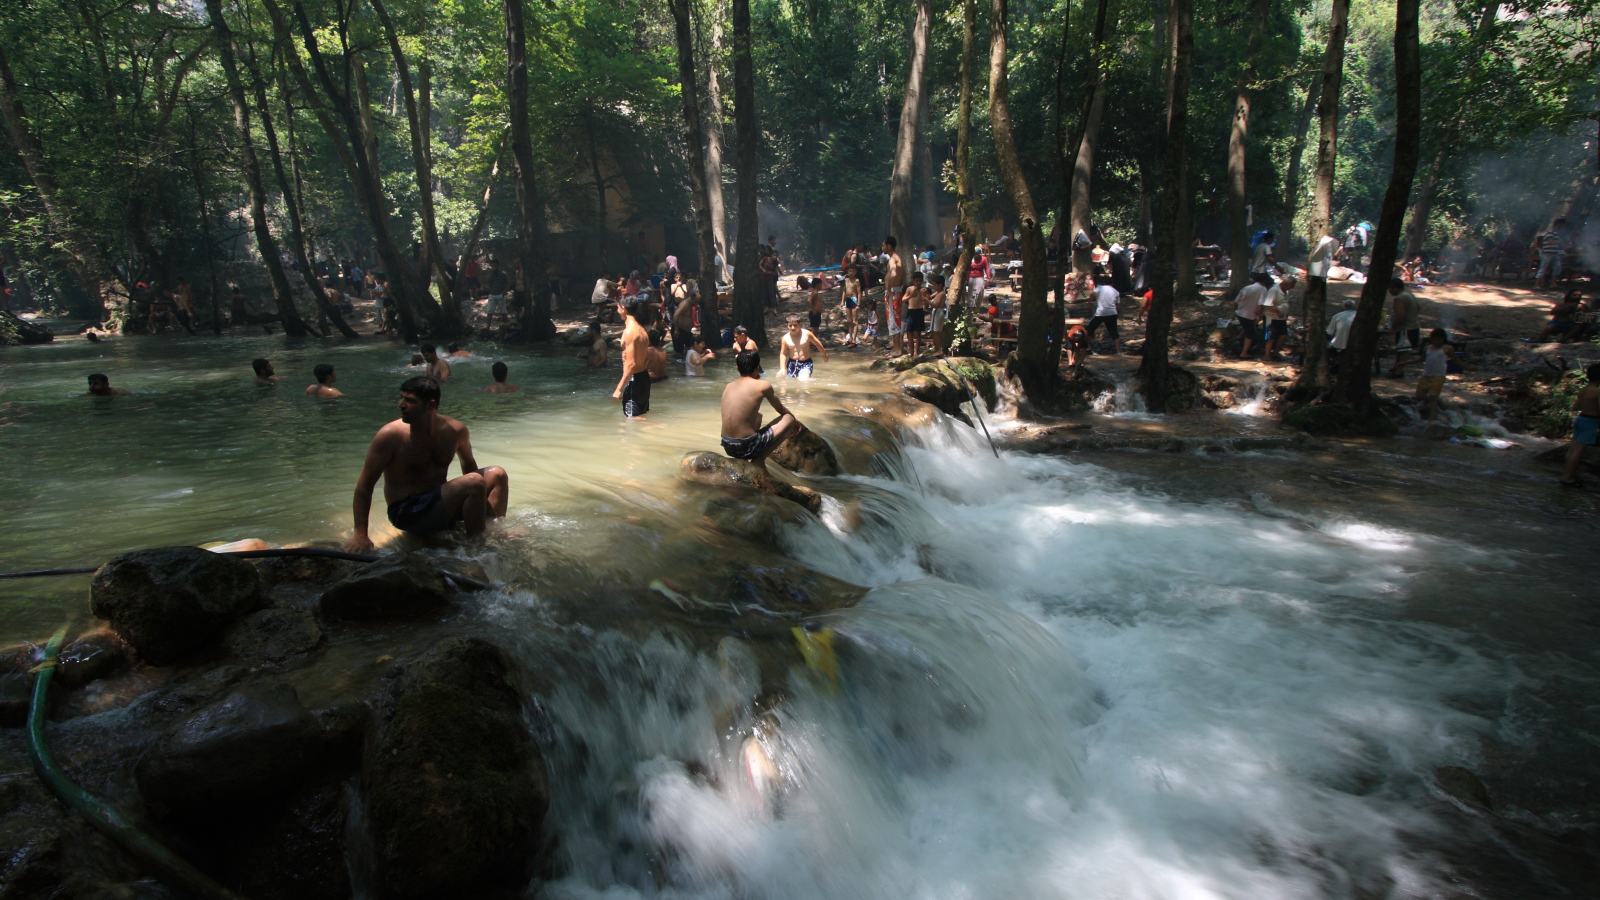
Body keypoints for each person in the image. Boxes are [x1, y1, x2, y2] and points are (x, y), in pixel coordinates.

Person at [343, 376, 508, 550]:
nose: (400, 404)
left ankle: (493, 531)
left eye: (409, 400)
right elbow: (364, 486)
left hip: (440, 503)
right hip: (407, 513)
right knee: (473, 482)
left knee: (497, 474)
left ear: (430, 405)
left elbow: (469, 466)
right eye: (401, 398)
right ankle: (478, 548)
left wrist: (474, 501)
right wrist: (360, 534)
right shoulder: (390, 435)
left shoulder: (455, 430)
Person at [720, 349, 800, 462]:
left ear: (737, 368)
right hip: (747, 446)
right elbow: (781, 410)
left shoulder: (728, 386)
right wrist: (795, 421)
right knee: (789, 418)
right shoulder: (763, 385)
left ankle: (742, 460)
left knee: (759, 416)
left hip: (727, 445)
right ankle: (759, 461)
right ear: (757, 368)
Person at [1396, 328, 1467, 420]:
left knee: (1433, 397)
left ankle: (1431, 419)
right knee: (1419, 396)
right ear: (1431, 339)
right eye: (1434, 339)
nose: (1436, 342)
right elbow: (1420, 360)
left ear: (1443, 339)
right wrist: (1404, 363)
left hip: (1439, 376)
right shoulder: (1428, 348)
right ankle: (1429, 402)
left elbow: (1456, 360)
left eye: (1439, 339)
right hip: (1426, 375)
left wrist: (1467, 367)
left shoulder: (1447, 348)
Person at [1559, 362, 1600, 488]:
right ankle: (1568, 477)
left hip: (1581, 418)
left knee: (1573, 448)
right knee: (1579, 450)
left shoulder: (1584, 389)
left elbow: (1576, 406)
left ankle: (1567, 474)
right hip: (1591, 421)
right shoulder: (1597, 392)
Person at [612, 295, 652, 417]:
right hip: (644, 378)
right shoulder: (641, 329)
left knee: (633, 421)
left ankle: (663, 428)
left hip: (634, 380)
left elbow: (631, 364)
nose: (617, 311)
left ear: (623, 308)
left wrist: (619, 389)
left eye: (618, 307)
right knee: (639, 417)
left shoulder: (630, 331)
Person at [1384, 277, 1422, 377]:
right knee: (1401, 349)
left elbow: (1401, 315)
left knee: (1404, 350)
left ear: (1395, 287)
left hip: (1406, 328)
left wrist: (1393, 328)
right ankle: (1397, 366)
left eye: (1390, 288)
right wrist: (1413, 317)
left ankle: (1399, 371)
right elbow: (1418, 307)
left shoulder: (1399, 298)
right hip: (1413, 326)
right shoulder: (1409, 294)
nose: (1389, 291)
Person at [779, 314, 829, 379]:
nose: (793, 328)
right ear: (787, 326)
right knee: (794, 383)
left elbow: (818, 344)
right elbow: (783, 353)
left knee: (804, 380)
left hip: (806, 362)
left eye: (795, 325)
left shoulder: (807, 334)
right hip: (792, 363)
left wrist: (824, 354)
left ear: (799, 324)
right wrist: (782, 368)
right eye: (790, 326)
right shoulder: (785, 338)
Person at [1260, 275, 1297, 361]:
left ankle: (1275, 353)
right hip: (1271, 317)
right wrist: (1278, 312)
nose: (1292, 288)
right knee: (1270, 338)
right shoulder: (1274, 290)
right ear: (1286, 284)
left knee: (1283, 336)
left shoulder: (1286, 291)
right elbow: (1267, 304)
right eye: (1291, 286)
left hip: (1281, 318)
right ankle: (1266, 356)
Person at [1234, 274, 1269, 359]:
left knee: (1247, 327)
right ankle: (1244, 353)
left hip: (1240, 313)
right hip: (1249, 315)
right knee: (1251, 334)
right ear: (1264, 282)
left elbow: (1235, 301)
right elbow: (1260, 304)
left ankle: (1238, 338)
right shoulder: (1262, 289)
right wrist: (1258, 316)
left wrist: (1236, 310)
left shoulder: (1246, 287)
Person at [882, 235, 906, 355]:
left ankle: (897, 350)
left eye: (883, 245)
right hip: (896, 290)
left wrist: (888, 289)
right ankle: (896, 348)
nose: (882, 248)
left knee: (893, 320)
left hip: (892, 292)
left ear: (889, 246)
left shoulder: (892, 259)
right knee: (894, 319)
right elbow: (903, 275)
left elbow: (894, 273)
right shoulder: (898, 258)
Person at [1087, 278, 1121, 355]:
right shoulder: (1116, 292)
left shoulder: (1100, 288)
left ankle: (1088, 347)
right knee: (1114, 332)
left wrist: (1089, 303)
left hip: (1101, 313)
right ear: (1112, 284)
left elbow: (1092, 294)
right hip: (1112, 312)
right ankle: (1118, 351)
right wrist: (1116, 314)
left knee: (1089, 329)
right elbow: (1118, 306)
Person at [1535, 218, 1569, 290]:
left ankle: (1553, 284)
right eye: (1562, 225)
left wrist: (1563, 248)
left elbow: (1558, 244)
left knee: (1557, 267)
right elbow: (1550, 241)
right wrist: (1561, 243)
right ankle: (1536, 285)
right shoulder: (1550, 232)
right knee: (1543, 268)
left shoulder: (1556, 233)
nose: (1563, 227)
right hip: (1547, 254)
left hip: (1555, 253)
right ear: (1559, 225)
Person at [1326, 300, 1358, 370]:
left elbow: (1329, 332)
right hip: (1356, 343)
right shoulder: (1358, 316)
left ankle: (1336, 361)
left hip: (1338, 343)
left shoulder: (1337, 316)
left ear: (1343, 307)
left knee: (1325, 344)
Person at [904, 271, 929, 357]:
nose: (918, 283)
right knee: (909, 333)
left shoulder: (923, 290)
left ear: (922, 281)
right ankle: (911, 352)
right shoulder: (909, 289)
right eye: (916, 281)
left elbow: (926, 305)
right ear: (913, 281)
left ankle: (916, 352)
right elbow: (903, 300)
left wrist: (924, 296)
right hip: (911, 311)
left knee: (917, 333)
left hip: (919, 311)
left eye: (920, 281)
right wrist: (911, 296)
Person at [672, 280, 698, 359]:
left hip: (686, 331)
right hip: (679, 330)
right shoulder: (685, 304)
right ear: (692, 298)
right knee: (678, 352)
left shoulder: (689, 304)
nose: (696, 304)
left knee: (690, 347)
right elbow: (675, 315)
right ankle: (678, 366)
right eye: (696, 302)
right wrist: (676, 329)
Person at [840, 267, 863, 347]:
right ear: (847, 271)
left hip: (854, 299)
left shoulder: (857, 281)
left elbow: (859, 293)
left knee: (855, 320)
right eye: (850, 271)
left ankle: (854, 339)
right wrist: (842, 301)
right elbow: (844, 291)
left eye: (853, 271)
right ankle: (850, 337)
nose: (851, 273)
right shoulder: (846, 280)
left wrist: (858, 304)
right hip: (847, 299)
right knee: (849, 320)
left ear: (855, 271)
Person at [759, 238, 782, 310]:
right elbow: (759, 265)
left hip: (770, 279)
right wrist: (763, 270)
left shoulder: (775, 262)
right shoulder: (765, 259)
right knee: (765, 293)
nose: (775, 257)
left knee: (771, 293)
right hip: (763, 278)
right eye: (774, 255)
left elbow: (775, 272)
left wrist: (770, 272)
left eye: (776, 256)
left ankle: (774, 308)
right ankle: (766, 307)